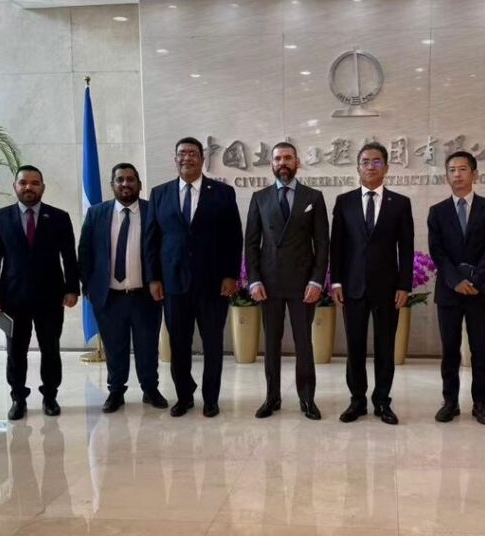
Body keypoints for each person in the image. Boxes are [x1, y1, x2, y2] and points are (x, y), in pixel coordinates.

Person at [145, 137, 243, 418]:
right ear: (175, 159)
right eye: (181, 153)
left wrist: (231, 275)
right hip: (173, 284)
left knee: (213, 344)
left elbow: (233, 237)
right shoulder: (160, 193)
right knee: (179, 344)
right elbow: (151, 240)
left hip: (213, 283)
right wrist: (154, 279)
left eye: (192, 153)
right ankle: (184, 396)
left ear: (202, 159)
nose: (186, 158)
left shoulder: (223, 192)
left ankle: (211, 398)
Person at [0, 165, 80, 420]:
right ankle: (18, 398)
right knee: (15, 352)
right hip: (12, 299)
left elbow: (69, 257)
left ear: (43, 187)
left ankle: (50, 396)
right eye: (23, 182)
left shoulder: (59, 217)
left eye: (35, 183)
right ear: (15, 186)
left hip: (51, 298)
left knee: (51, 350)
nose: (29, 187)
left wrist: (72, 288)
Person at [330, 142, 414, 425]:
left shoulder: (400, 203)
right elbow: (337, 246)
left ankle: (382, 401)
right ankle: (357, 401)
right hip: (352, 288)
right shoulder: (344, 202)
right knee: (354, 346)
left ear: (386, 168)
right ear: (357, 167)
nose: (370, 166)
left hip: (387, 289)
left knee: (385, 348)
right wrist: (336, 282)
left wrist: (404, 286)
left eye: (376, 162)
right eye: (365, 162)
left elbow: (407, 248)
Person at [245, 142, 329, 420]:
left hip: (303, 284)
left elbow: (322, 244)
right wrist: (254, 280)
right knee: (271, 344)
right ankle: (272, 397)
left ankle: (307, 398)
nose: (283, 162)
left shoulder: (313, 197)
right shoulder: (259, 198)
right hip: (268, 284)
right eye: (278, 158)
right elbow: (251, 243)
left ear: (297, 163)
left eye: (288, 158)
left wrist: (317, 281)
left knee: (304, 343)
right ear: (271, 164)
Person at [78, 162, 168, 414]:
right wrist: (88, 285)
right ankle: (116, 391)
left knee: (147, 346)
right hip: (109, 297)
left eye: (130, 179)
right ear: (112, 184)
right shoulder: (96, 213)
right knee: (114, 347)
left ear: (139, 184)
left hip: (145, 296)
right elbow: (85, 251)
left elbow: (163, 250)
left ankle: (150, 389)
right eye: (120, 179)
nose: (125, 184)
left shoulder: (153, 211)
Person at [427, 150, 485, 425]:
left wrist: (477, 280)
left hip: (479, 292)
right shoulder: (437, 212)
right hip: (449, 292)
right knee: (450, 349)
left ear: (474, 174)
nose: (457, 175)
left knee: (480, 350)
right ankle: (450, 402)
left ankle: (480, 404)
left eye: (462, 169)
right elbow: (437, 251)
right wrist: (456, 280)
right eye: (452, 170)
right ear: (446, 176)